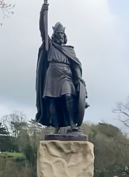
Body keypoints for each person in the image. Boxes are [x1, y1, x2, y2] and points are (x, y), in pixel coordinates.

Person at [35, 0, 87, 133]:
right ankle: (56, 127)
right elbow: (43, 28)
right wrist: (44, 10)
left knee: (68, 96)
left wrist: (79, 78)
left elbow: (75, 65)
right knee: (52, 102)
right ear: (54, 35)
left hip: (66, 76)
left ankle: (71, 123)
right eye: (58, 34)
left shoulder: (70, 49)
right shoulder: (49, 46)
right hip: (52, 75)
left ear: (64, 36)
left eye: (62, 34)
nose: (60, 36)